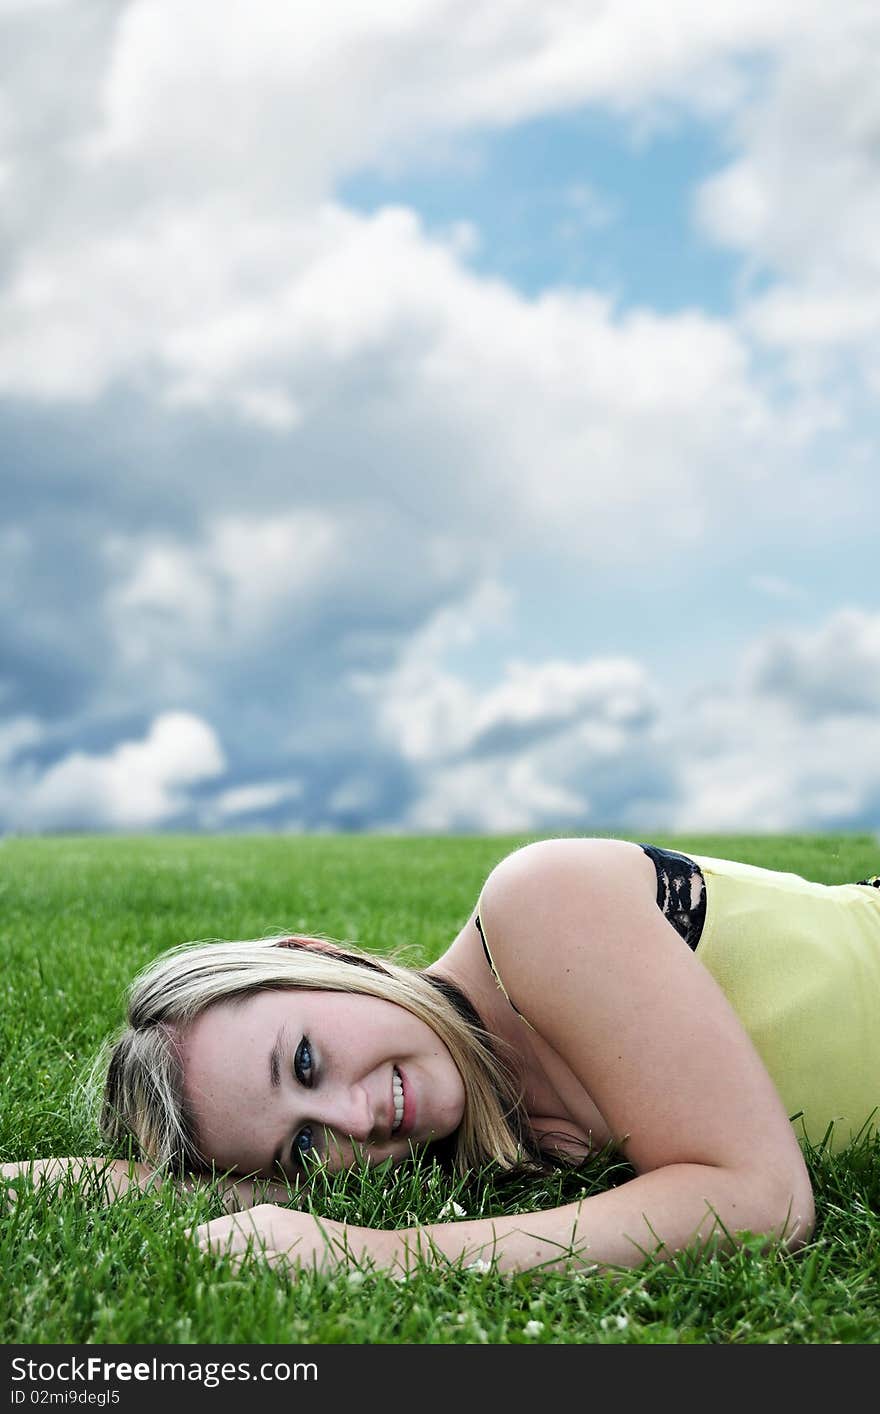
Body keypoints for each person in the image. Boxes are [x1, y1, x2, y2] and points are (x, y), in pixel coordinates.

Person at [5, 837, 880, 1277]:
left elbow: (761, 1201)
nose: (354, 1119)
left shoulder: (540, 905)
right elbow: (232, 1194)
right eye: (306, 1145)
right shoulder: (482, 1141)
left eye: (305, 1063)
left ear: (322, 957)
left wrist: (375, 1254)